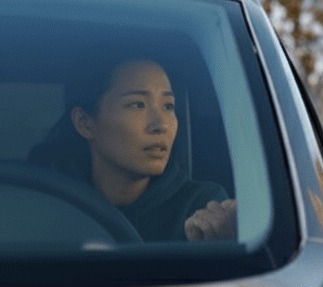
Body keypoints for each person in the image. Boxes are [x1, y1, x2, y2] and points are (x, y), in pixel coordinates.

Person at [29, 58, 237, 242]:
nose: (161, 125)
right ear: (85, 123)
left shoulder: (204, 208)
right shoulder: (43, 205)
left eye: (169, 106)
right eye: (137, 105)